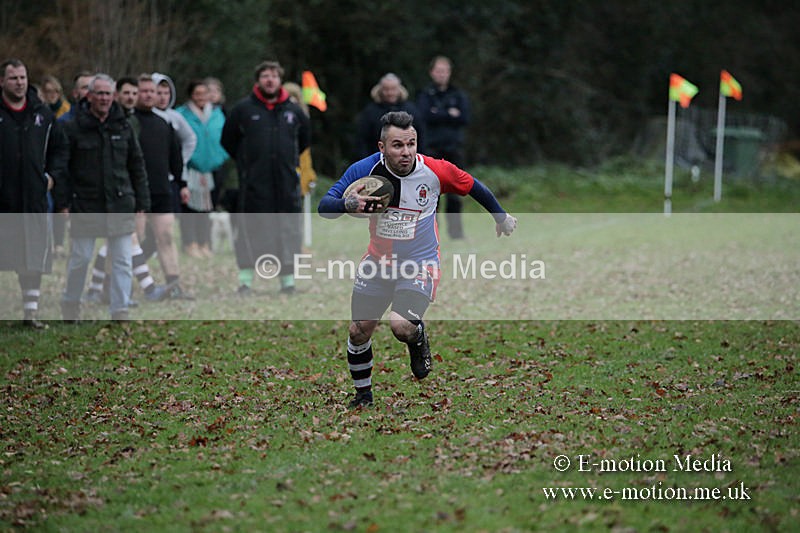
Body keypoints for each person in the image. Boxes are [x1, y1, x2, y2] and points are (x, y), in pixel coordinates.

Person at [318, 111, 517, 408]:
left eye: (411, 143)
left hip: (420, 262)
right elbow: (324, 206)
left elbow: (473, 186)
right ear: (382, 147)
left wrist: (501, 218)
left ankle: (417, 336)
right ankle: (363, 396)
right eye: (398, 145)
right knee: (359, 330)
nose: (406, 152)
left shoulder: (434, 171)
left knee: (402, 326)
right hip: (378, 261)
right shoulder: (366, 170)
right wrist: (349, 203)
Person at [56, 73, 150, 322]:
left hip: (120, 203)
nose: (104, 98)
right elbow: (62, 169)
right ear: (89, 96)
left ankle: (120, 310)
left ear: (114, 96)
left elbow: (136, 165)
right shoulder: (72, 127)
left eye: (108, 94)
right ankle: (70, 304)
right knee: (81, 258)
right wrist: (63, 203)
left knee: (122, 260)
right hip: (85, 204)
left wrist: (142, 202)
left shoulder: (124, 126)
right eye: (99, 93)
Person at [221, 60, 310, 295]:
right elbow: (228, 140)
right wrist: (246, 163)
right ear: (257, 80)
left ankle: (288, 282)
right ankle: (245, 282)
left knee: (288, 230)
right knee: (253, 229)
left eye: (274, 76)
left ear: (280, 80)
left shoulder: (293, 110)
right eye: (265, 76)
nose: (269, 80)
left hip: (286, 183)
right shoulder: (243, 110)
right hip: (254, 185)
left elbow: (304, 140)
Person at [83, 76, 168, 305]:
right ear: (117, 95)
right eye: (127, 93)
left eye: (134, 93)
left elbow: (135, 160)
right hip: (112, 192)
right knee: (125, 241)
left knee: (120, 242)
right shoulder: (113, 121)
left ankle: (97, 289)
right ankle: (145, 288)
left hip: (127, 191)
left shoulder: (131, 122)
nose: (132, 97)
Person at [0, 59, 68, 328]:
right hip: (3, 200)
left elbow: (61, 151)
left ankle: (31, 314)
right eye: (13, 78)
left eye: (23, 77)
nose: (19, 82)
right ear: (2, 82)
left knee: (32, 256)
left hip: (33, 199)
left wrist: (51, 178)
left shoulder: (43, 115)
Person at [133, 74, 192, 300]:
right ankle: (110, 286)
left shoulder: (163, 123)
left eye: (153, 91)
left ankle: (174, 285)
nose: (149, 95)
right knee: (132, 240)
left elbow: (175, 158)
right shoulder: (128, 122)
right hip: (136, 191)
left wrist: (182, 183)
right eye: (145, 91)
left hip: (161, 189)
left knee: (166, 236)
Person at [416, 56, 471, 239]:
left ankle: (456, 233)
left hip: (454, 149)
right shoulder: (425, 95)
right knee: (431, 194)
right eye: (438, 70)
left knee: (455, 194)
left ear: (449, 73)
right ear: (432, 72)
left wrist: (438, 113)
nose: (441, 74)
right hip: (432, 150)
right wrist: (449, 114)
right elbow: (424, 117)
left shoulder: (458, 95)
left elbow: (464, 118)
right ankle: (431, 233)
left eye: (444, 70)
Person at [176, 79, 229, 257]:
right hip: (190, 168)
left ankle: (205, 242)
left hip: (213, 168)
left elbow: (225, 138)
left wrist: (220, 157)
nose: (201, 98)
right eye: (197, 94)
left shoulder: (217, 114)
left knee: (208, 208)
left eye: (204, 94)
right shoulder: (181, 114)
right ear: (191, 95)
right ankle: (189, 243)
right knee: (189, 208)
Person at [355, 73, 423, 161]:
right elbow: (362, 140)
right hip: (376, 160)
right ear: (380, 90)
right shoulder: (370, 112)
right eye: (386, 89)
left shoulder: (411, 110)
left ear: (399, 89)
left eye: (393, 89)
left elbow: (421, 136)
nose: (390, 93)